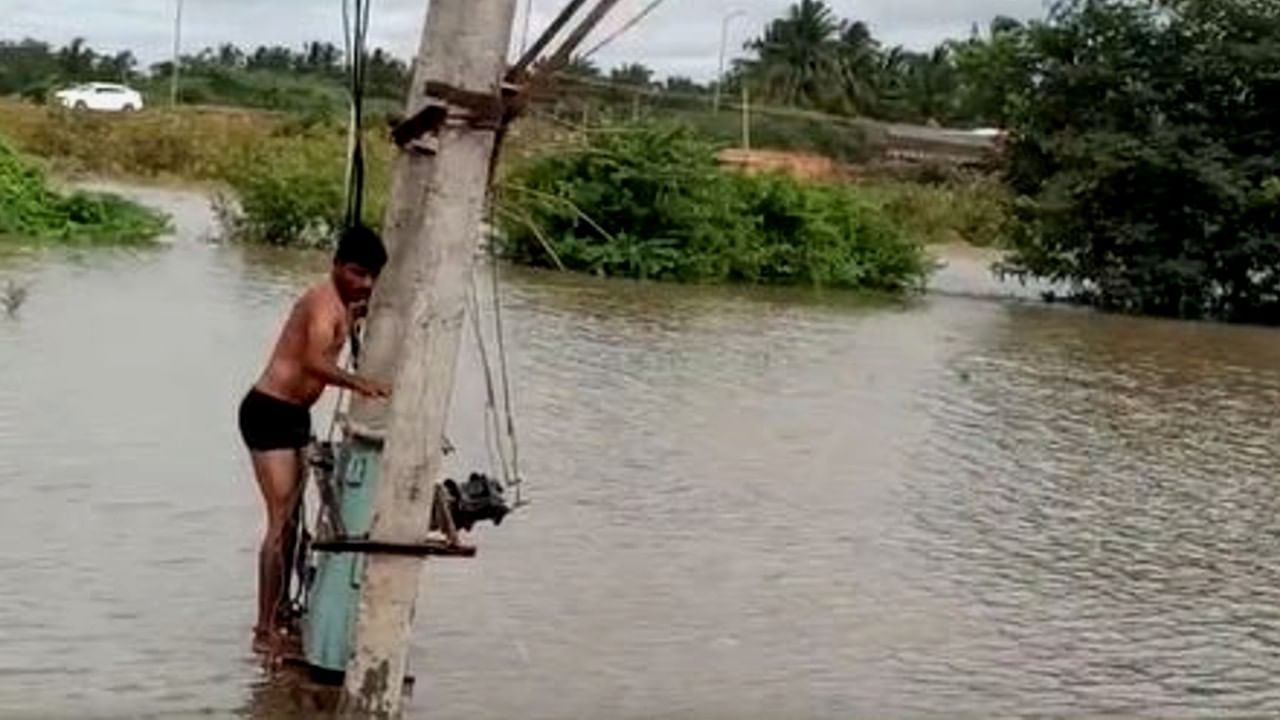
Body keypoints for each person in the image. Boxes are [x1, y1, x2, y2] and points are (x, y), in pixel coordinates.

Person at [238, 224, 392, 654]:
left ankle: (281, 611)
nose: (364, 283)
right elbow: (312, 360)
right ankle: (264, 630)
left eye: (370, 276)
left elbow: (358, 313)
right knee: (280, 521)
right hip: (268, 411)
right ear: (336, 266)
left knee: (296, 522)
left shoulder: (345, 304)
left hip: (296, 416)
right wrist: (361, 384)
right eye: (357, 273)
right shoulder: (322, 304)